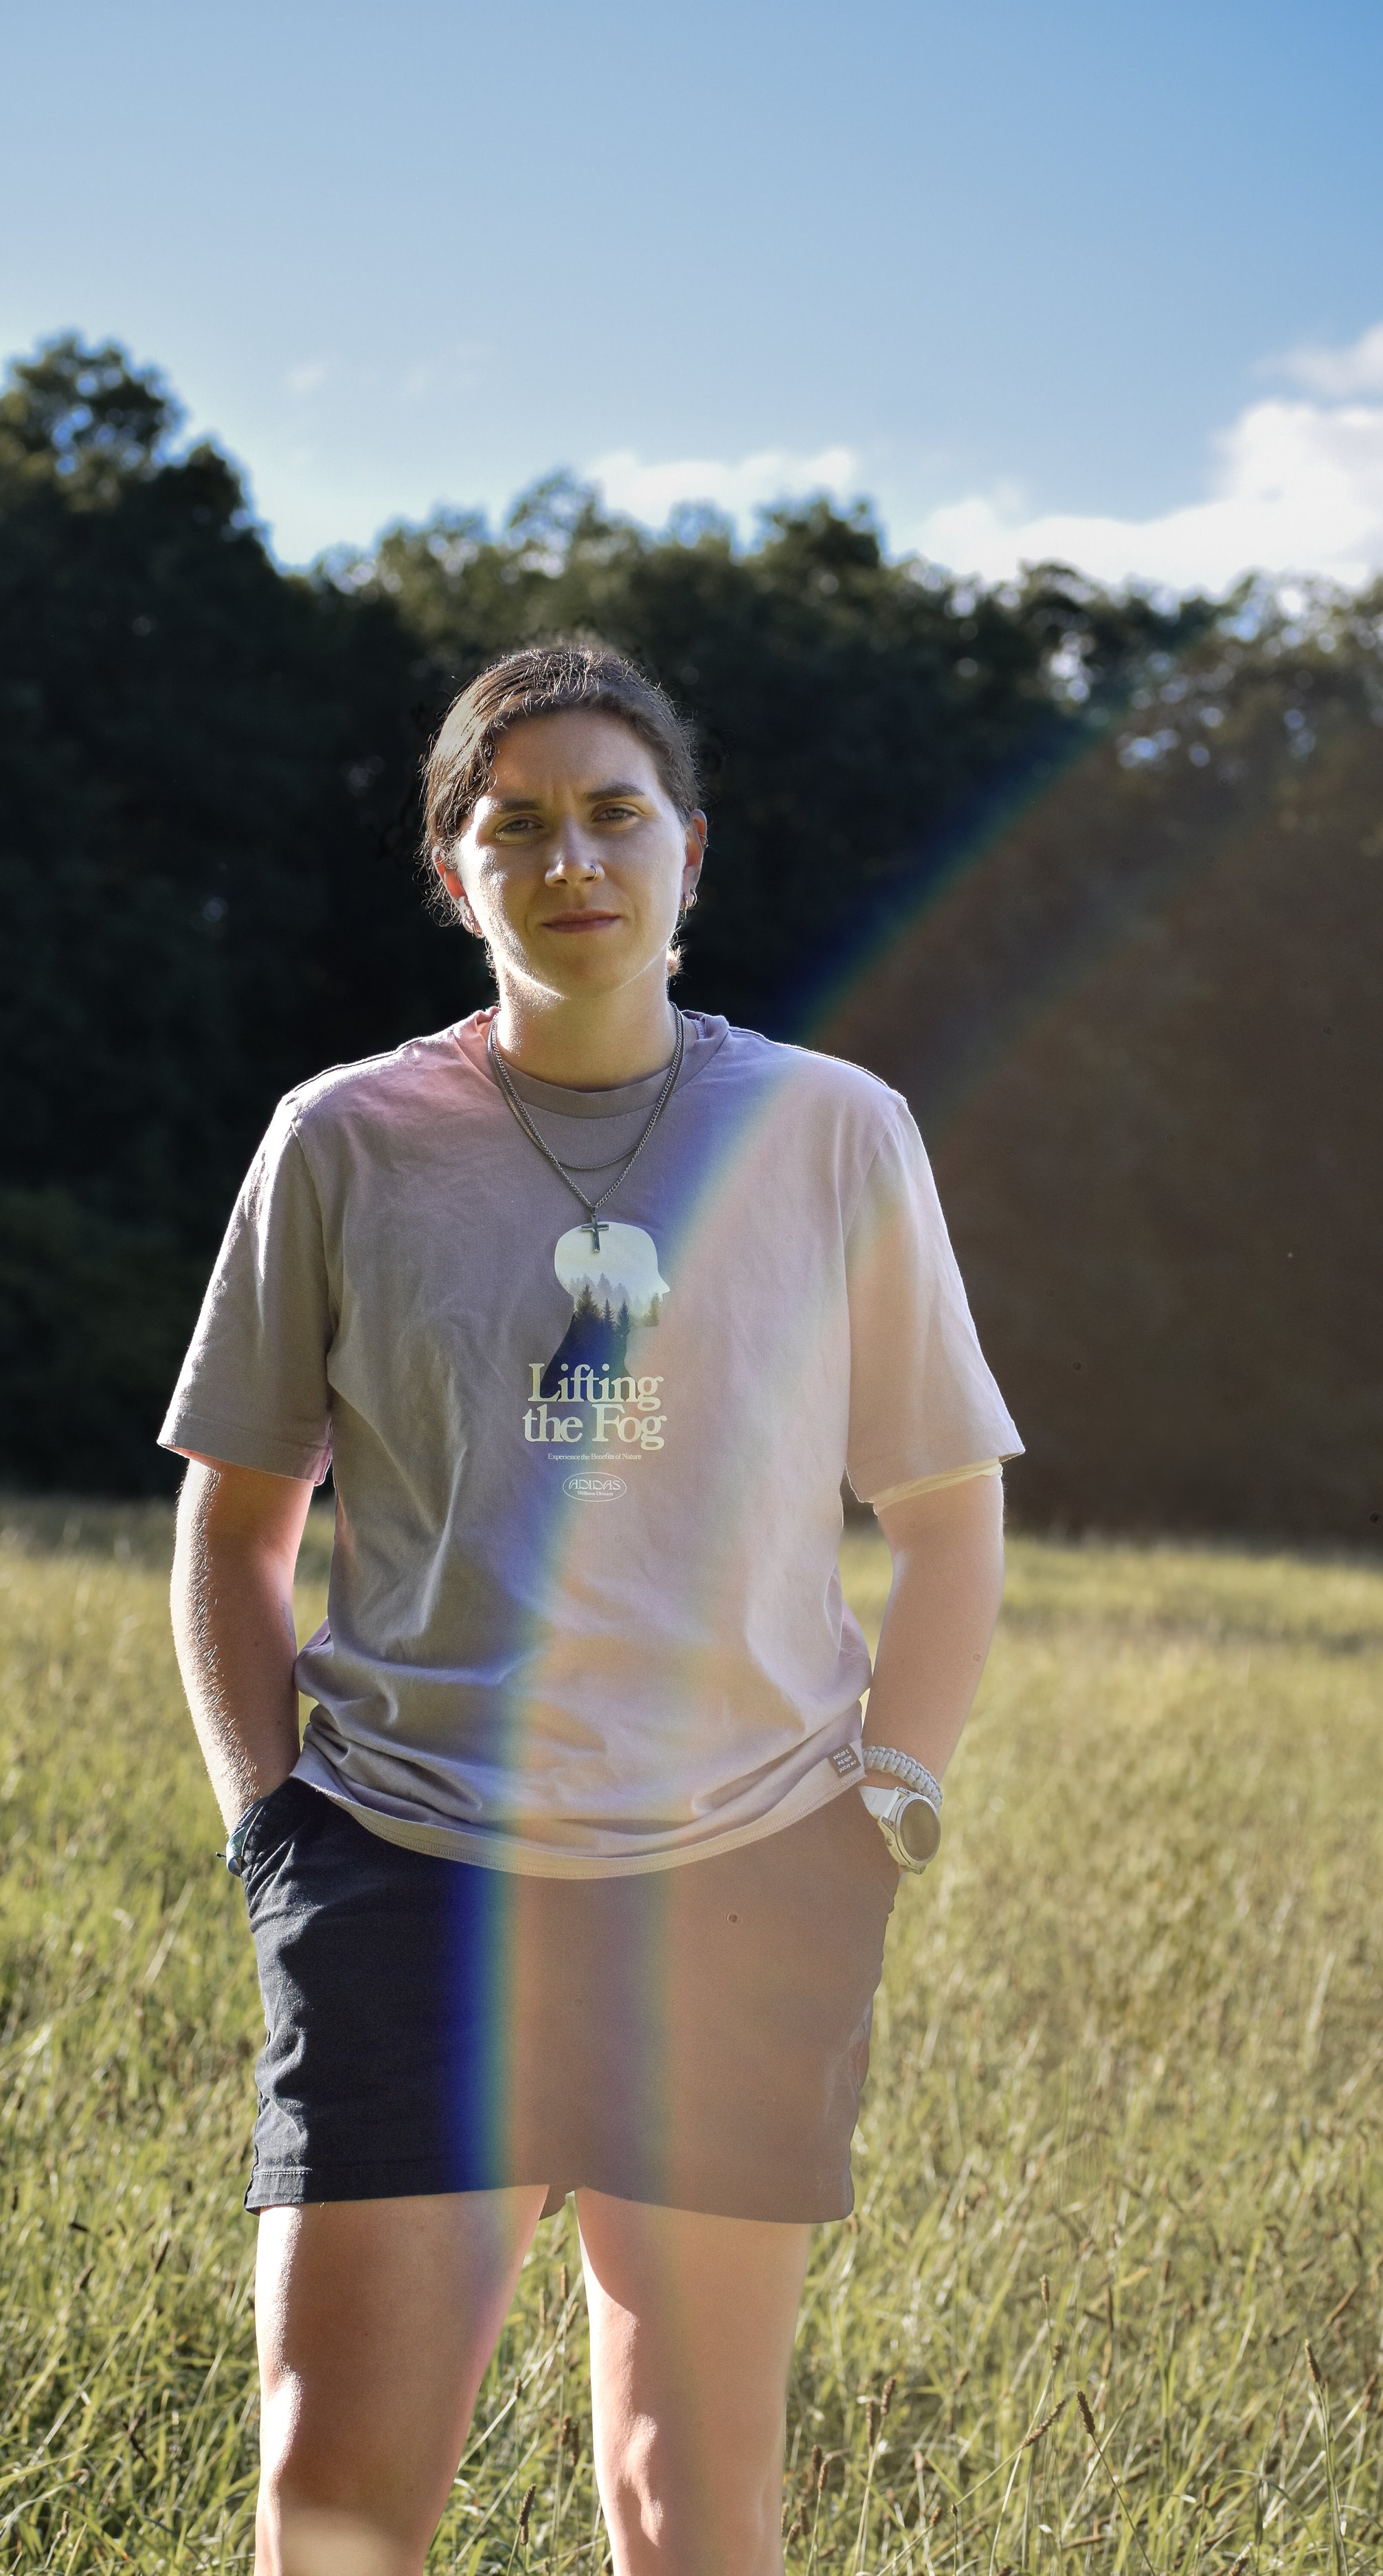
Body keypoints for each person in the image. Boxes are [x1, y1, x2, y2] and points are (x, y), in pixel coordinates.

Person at [162, 644, 1019, 2576]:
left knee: (689, 2503)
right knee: (336, 2499)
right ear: (454, 875)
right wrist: (268, 1833)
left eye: (614, 812)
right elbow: (233, 1531)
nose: (573, 858)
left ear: (688, 855)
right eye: (517, 822)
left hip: (741, 1874)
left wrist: (883, 1808)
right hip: (405, 1867)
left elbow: (948, 1517)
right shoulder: (343, 1142)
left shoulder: (830, 1133)